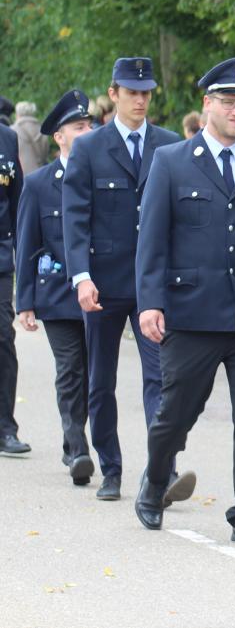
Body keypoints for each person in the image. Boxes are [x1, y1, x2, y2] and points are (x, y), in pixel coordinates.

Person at [133, 57, 235, 545]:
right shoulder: (172, 162)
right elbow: (152, 240)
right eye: (228, 102)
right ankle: (155, 480)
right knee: (176, 413)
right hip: (192, 313)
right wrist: (150, 302)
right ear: (207, 104)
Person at [61, 58, 192, 502]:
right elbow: (75, 218)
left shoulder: (169, 145)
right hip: (103, 283)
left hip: (153, 285)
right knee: (101, 381)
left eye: (146, 92)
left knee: (162, 379)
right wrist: (81, 277)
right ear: (113, 94)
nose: (140, 100)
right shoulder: (89, 148)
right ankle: (111, 468)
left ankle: (162, 470)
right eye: (131, 92)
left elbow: (181, 219)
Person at [14, 90, 96, 481]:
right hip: (59, 294)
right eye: (78, 127)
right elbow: (27, 242)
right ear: (59, 137)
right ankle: (77, 447)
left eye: (90, 125)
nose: (87, 132)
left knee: (94, 373)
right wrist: (25, 302)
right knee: (70, 370)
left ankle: (76, 442)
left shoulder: (104, 180)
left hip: (99, 293)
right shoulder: (39, 184)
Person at [0, 112, 24, 455]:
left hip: (1, 257)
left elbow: (18, 204)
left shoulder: (7, 138)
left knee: (3, 336)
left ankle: (5, 427)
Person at [14, 101, 51, 175]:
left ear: (17, 114)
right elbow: (45, 154)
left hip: (21, 175)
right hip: (41, 173)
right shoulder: (42, 129)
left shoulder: (12, 130)